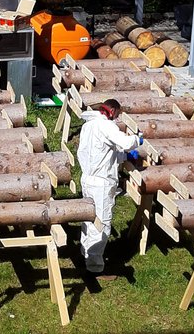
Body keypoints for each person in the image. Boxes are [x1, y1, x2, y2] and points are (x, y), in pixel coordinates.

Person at [77, 98, 143, 279]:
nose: (117, 119)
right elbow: (126, 142)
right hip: (101, 183)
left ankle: (85, 253)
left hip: (87, 178)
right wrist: (138, 139)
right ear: (112, 110)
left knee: (88, 219)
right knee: (102, 223)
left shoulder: (89, 126)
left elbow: (102, 151)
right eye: (118, 115)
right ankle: (95, 267)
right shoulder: (106, 126)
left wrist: (123, 156)